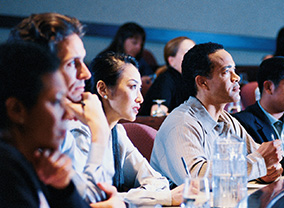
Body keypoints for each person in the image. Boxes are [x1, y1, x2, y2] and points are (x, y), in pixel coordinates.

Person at [8, 13, 124, 206]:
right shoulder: (16, 153)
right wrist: (100, 131)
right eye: (72, 63)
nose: (86, 74)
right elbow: (96, 195)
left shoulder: (55, 131)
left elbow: (84, 196)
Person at [150, 42, 283, 187]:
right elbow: (196, 180)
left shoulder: (226, 120)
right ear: (202, 82)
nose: (236, 77)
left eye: (235, 70)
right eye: (226, 72)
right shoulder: (181, 123)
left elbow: (260, 156)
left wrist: (268, 168)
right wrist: (258, 163)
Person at [69, 51, 182, 205]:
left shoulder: (117, 132)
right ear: (103, 89)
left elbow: (158, 182)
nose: (140, 98)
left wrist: (123, 198)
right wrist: (162, 198)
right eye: (132, 87)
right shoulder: (79, 133)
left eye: (140, 88)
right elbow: (91, 198)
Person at [0, 41, 91, 207]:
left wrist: (62, 188)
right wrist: (100, 134)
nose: (68, 113)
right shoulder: (6, 170)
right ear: (17, 110)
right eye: (56, 102)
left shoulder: (38, 163)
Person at [139, 36, 195, 116]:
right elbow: (157, 114)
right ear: (171, 61)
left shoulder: (192, 81)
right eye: (187, 53)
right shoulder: (166, 80)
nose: (193, 58)